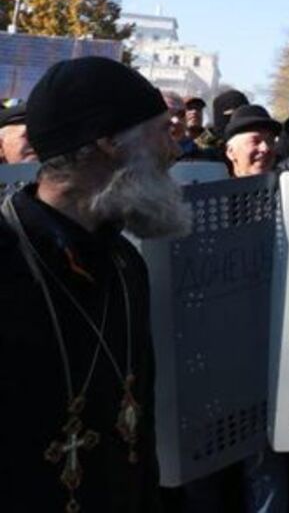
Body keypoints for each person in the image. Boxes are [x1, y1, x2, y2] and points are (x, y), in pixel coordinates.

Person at [0, 56, 187, 512]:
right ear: (108, 141)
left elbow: (140, 434)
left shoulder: (125, 264)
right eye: (163, 131)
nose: (175, 151)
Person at [223, 105, 282, 177]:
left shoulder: (288, 186)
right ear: (231, 152)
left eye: (270, 141)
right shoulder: (218, 187)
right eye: (255, 141)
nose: (265, 148)